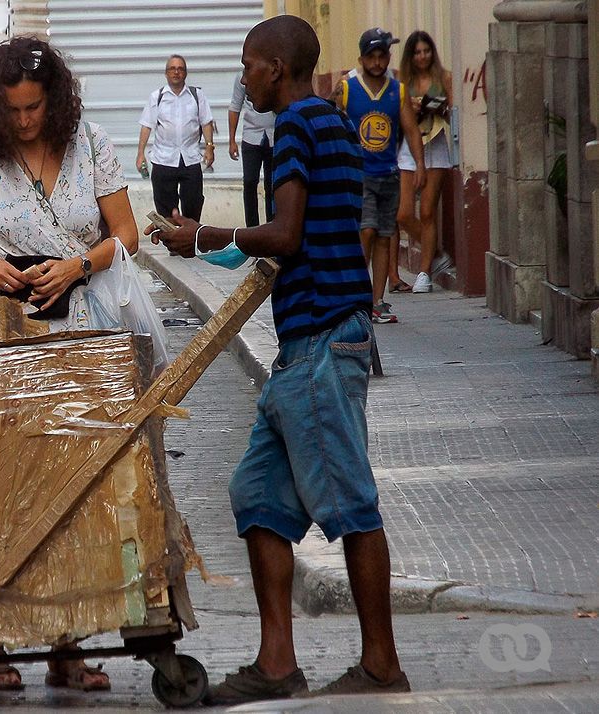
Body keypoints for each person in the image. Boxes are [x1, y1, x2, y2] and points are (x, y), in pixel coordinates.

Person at [148, 15, 411, 705]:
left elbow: (287, 233)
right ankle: (276, 664)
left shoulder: (294, 126)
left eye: (249, 64)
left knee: (351, 503)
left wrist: (205, 233)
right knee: (258, 495)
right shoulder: (335, 124)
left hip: (323, 339)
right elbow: (303, 230)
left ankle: (382, 663)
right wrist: (221, 246)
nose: (244, 77)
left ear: (276, 67)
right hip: (312, 343)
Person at [0, 38, 139, 689]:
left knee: (75, 488)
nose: (25, 121)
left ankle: (65, 646)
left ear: (55, 100)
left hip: (84, 332)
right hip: (4, 335)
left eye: (35, 107)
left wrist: (80, 263)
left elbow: (125, 233)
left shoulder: (92, 142)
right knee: (2, 487)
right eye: (14, 110)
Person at [334, 28, 424, 324]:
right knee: (366, 231)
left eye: (382, 55)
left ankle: (378, 301)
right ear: (361, 58)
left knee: (385, 237)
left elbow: (410, 129)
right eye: (371, 56)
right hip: (359, 176)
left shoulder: (397, 90)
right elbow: (331, 119)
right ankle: (358, 298)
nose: (377, 61)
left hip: (388, 174)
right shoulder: (347, 89)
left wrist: (420, 166)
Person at [396, 30, 454, 294]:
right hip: (410, 146)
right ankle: (438, 253)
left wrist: (438, 106)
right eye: (417, 52)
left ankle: (424, 271)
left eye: (426, 51)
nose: (422, 56)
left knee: (428, 210)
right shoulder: (403, 83)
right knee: (404, 214)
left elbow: (453, 109)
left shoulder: (444, 78)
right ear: (411, 55)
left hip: (437, 142)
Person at [136, 55, 215, 221]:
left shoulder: (197, 95)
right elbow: (146, 125)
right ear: (166, 73)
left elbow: (206, 122)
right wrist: (140, 153)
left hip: (190, 158)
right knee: (166, 209)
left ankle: (190, 242)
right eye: (173, 68)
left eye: (180, 69)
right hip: (163, 158)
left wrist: (209, 147)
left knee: (193, 204)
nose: (176, 72)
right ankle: (172, 244)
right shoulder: (157, 97)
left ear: (185, 73)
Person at [227, 70, 275, 227]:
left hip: (275, 136)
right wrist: (232, 140)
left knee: (272, 184)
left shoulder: (274, 74)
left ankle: (273, 224)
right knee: (249, 182)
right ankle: (252, 227)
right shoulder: (242, 77)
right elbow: (235, 106)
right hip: (251, 136)